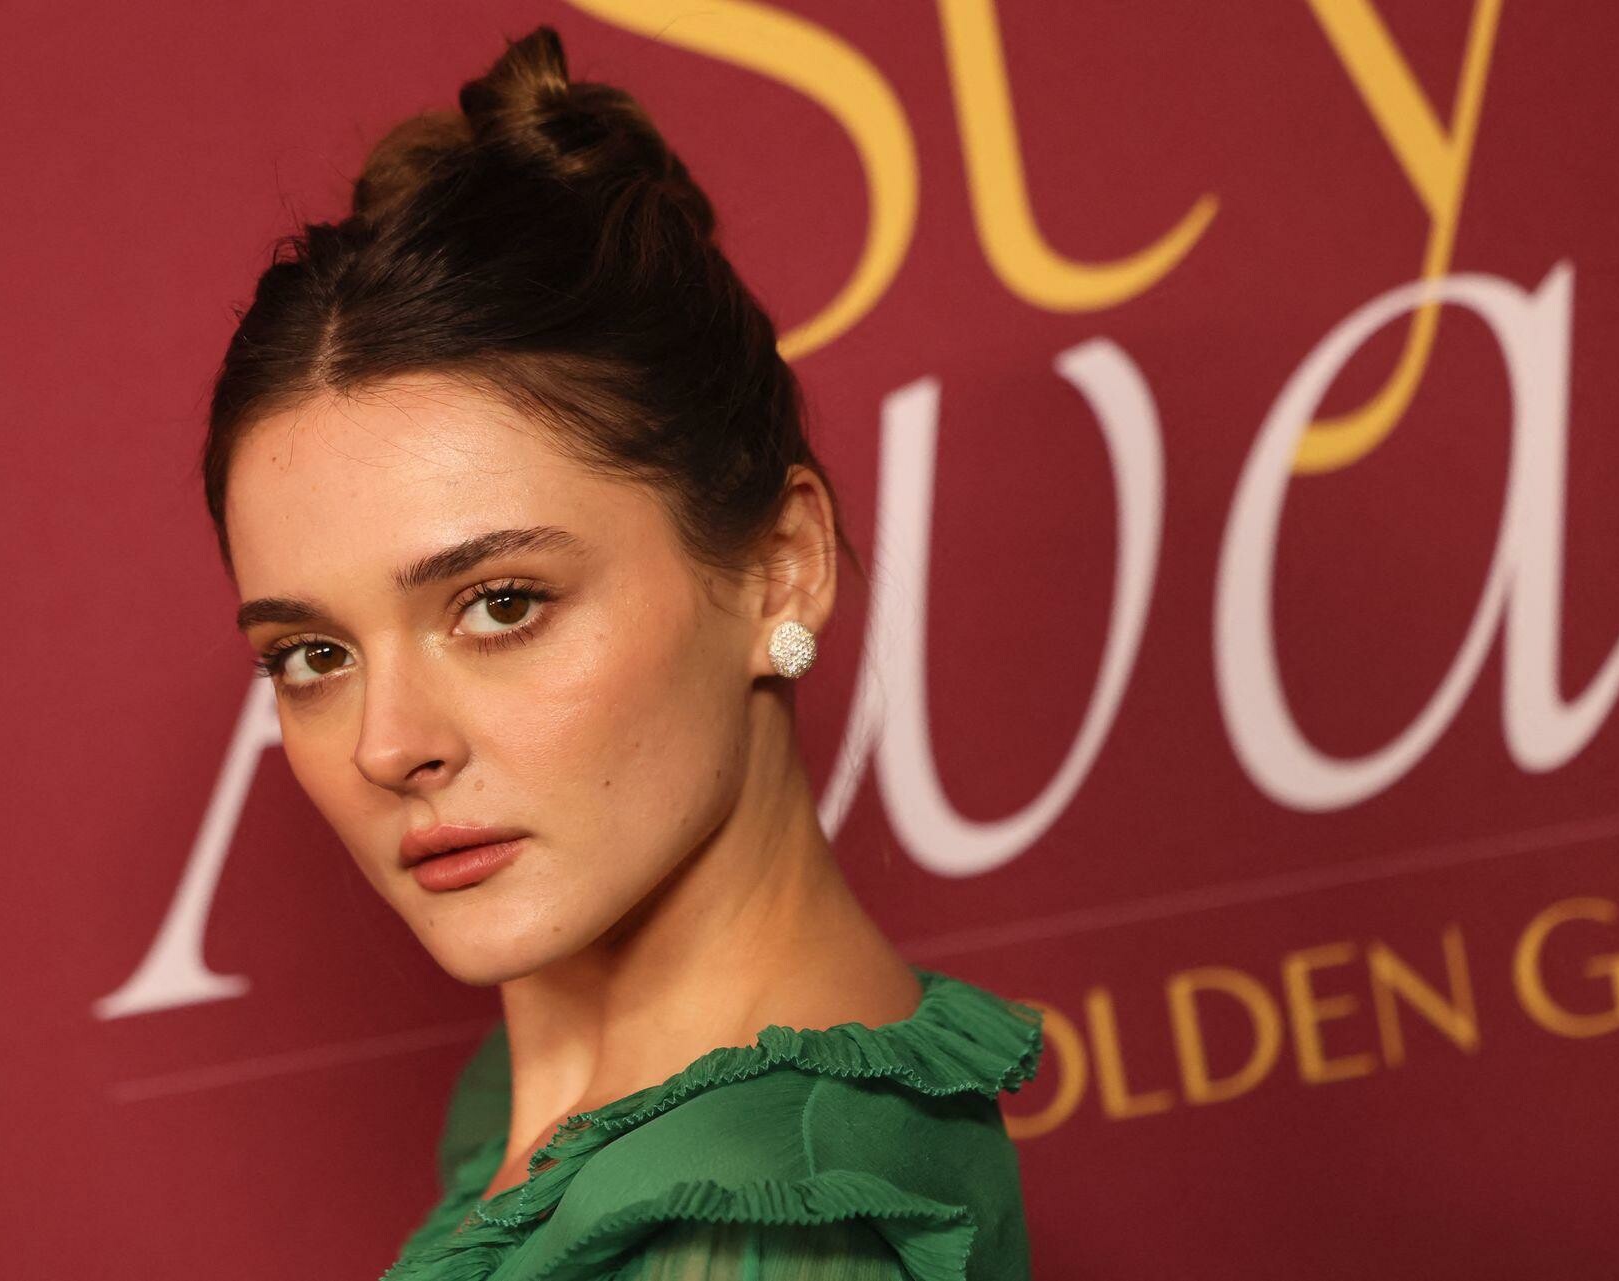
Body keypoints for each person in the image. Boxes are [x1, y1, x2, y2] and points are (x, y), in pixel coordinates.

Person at [200, 23, 1043, 1280]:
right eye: (313, 655)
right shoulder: (552, 1110)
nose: (387, 747)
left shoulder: (754, 1227)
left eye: (500, 604)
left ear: (781, 565)